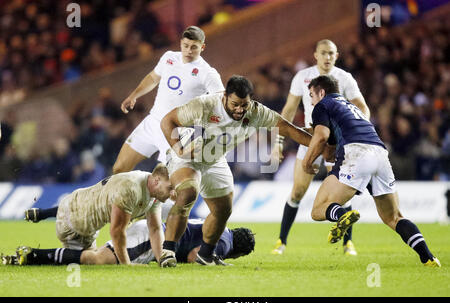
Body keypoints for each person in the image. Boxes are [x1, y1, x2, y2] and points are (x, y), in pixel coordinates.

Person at [158, 75, 332, 267]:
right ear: (224, 96)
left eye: (244, 105)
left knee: (223, 210)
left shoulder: (257, 112)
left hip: (214, 159)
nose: (240, 109)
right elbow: (168, 120)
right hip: (188, 153)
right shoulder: (205, 105)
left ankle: (205, 256)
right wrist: (179, 150)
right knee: (188, 193)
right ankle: (167, 252)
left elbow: (288, 129)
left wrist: (322, 147)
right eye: (235, 104)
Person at [303, 74, 440, 267]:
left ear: (322, 92)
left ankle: (343, 216)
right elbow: (333, 143)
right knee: (394, 217)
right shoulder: (349, 107)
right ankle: (429, 257)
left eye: (311, 95)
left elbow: (321, 136)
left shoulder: (323, 105)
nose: (311, 100)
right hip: (380, 154)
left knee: (318, 210)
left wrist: (306, 162)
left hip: (356, 154)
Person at [271, 39, 371, 256]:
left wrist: (354, 132)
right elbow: (288, 110)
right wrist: (278, 142)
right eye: (323, 53)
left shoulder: (344, 78)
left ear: (337, 55)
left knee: (340, 192)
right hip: (310, 139)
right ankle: (281, 241)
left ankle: (348, 244)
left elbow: (363, 108)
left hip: (335, 142)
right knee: (297, 191)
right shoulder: (302, 77)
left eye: (331, 53)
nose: (327, 57)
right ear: (315, 55)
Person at [112, 25, 224, 174]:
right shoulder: (169, 57)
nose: (189, 50)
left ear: (202, 47)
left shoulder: (207, 73)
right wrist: (134, 95)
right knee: (119, 168)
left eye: (194, 47)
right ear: (180, 43)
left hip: (177, 132)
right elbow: (153, 78)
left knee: (163, 181)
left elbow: (221, 101)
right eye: (186, 46)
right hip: (153, 122)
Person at [22, 164, 174, 265]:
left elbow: (154, 228)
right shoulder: (131, 189)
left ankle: (41, 215)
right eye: (170, 187)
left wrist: (162, 258)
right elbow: (116, 231)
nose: (173, 193)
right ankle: (30, 256)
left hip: (81, 207)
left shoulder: (154, 192)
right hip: (74, 224)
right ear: (157, 181)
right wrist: (126, 266)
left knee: (95, 257)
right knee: (92, 260)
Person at [2, 219, 255, 266]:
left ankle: (32, 255)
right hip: (151, 240)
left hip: (149, 231)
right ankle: (33, 255)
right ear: (238, 253)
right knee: (99, 258)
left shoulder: (220, 226)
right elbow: (194, 256)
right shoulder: (223, 243)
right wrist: (217, 262)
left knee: (96, 254)